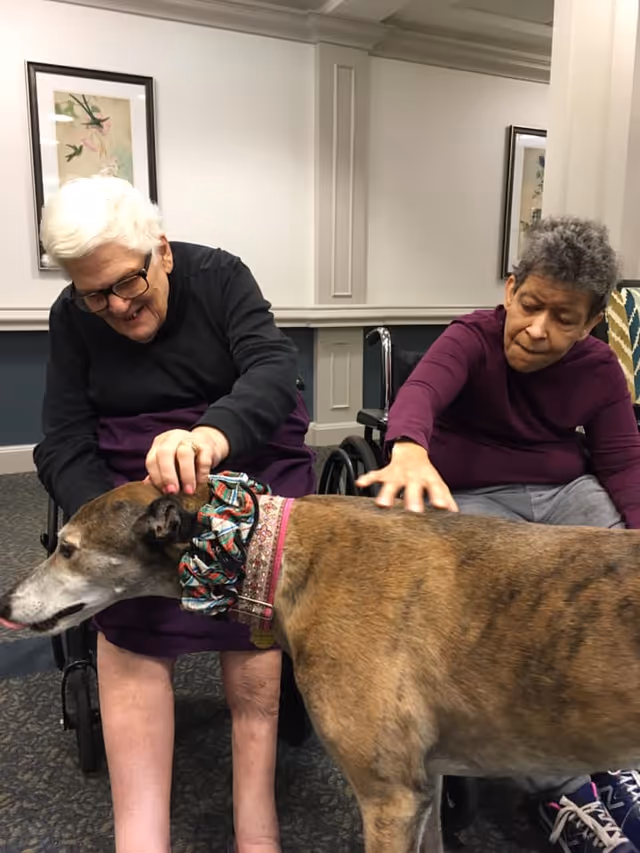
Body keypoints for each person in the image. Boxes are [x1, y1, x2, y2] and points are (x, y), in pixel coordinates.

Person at [34, 175, 316, 853]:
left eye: (127, 283)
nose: (116, 306)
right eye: (92, 293)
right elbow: (64, 437)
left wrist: (211, 436)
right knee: (124, 594)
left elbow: (273, 371)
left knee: (240, 570)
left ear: (159, 248)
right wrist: (109, 517)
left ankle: (256, 823)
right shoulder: (74, 316)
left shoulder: (220, 275)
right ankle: (141, 834)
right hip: (127, 481)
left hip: (235, 458)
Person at [358, 215, 640, 853]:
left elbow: (622, 461)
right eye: (531, 305)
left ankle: (618, 745)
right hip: (474, 501)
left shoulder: (597, 369)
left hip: (567, 496)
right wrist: (407, 449)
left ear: (592, 322)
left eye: (563, 318)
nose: (539, 329)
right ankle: (567, 785)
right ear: (511, 288)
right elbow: (421, 393)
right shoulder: (473, 337)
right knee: (514, 631)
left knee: (621, 591)